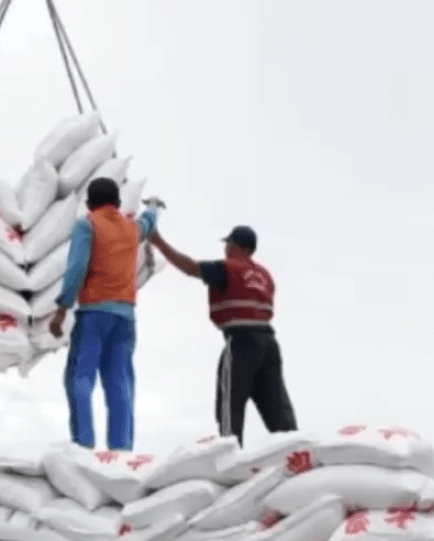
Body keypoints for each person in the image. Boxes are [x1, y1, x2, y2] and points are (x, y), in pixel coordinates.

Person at [147, 224, 298, 445]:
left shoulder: (228, 268)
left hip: (242, 342)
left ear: (235, 246)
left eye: (227, 243)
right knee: (277, 407)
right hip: (269, 345)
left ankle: (231, 457)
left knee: (230, 408)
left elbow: (190, 268)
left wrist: (158, 241)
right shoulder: (265, 275)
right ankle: (296, 450)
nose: (225, 248)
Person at [48, 178, 162, 451]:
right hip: (125, 318)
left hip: (93, 315)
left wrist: (62, 310)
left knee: (80, 377)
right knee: (120, 383)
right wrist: (155, 206)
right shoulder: (131, 229)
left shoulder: (87, 225)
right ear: (119, 203)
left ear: (88, 203)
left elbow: (76, 268)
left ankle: (83, 443)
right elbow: (148, 222)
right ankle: (121, 450)